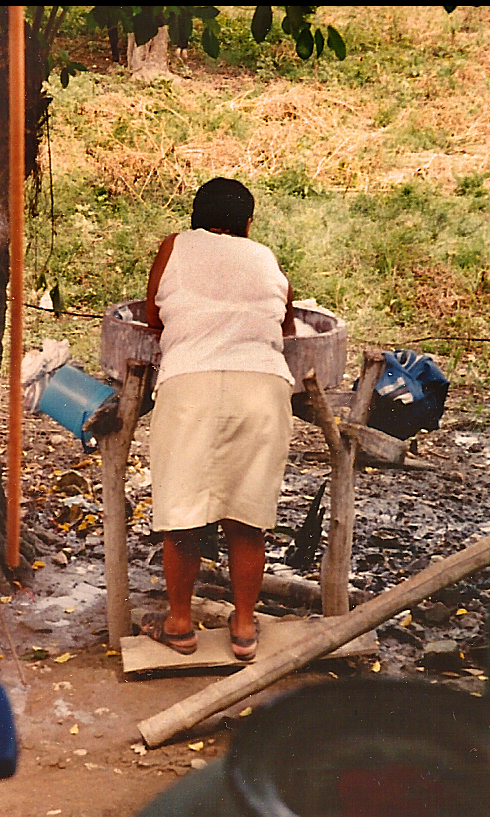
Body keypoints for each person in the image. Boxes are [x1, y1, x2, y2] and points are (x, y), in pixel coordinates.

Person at [140, 177, 296, 661]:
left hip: (191, 386)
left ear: (195, 217)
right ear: (247, 222)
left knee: (182, 516)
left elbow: (151, 317)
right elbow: (286, 323)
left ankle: (180, 625)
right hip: (263, 388)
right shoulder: (266, 257)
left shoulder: (174, 247)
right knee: (248, 519)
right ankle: (245, 630)